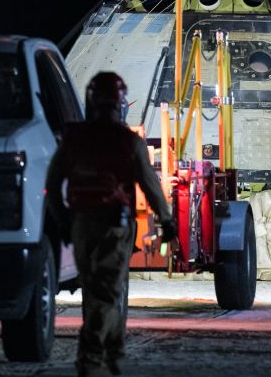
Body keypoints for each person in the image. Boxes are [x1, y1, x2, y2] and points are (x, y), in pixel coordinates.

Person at [45, 72, 177, 377]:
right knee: (108, 292)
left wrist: (63, 220)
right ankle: (91, 359)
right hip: (114, 228)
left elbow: (53, 185)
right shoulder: (128, 141)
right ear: (120, 103)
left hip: (80, 224)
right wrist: (166, 221)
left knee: (95, 291)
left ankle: (114, 355)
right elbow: (150, 186)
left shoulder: (73, 138)